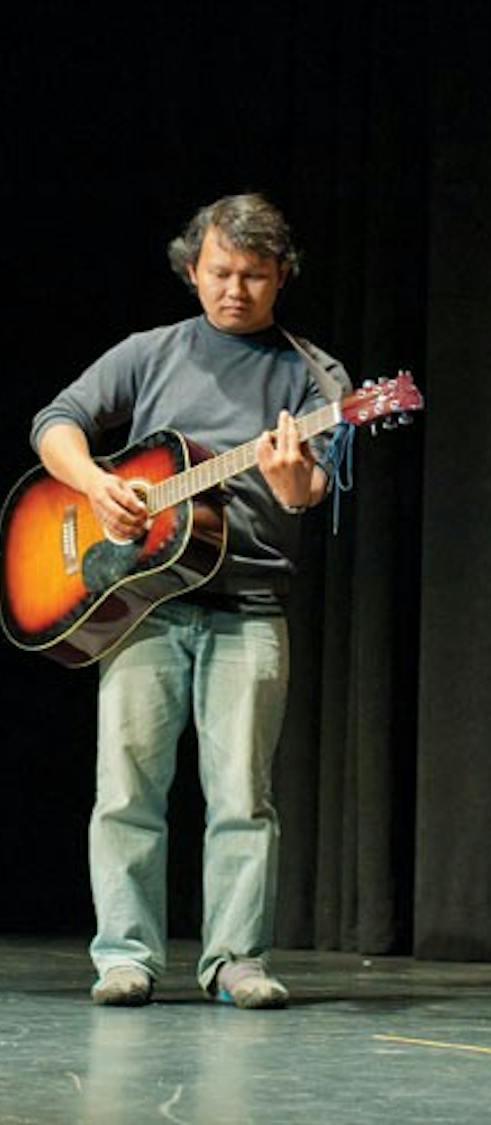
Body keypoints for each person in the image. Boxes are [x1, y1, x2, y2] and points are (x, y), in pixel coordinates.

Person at [31, 193, 350, 1009]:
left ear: (282, 278)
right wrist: (99, 484)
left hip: (249, 604)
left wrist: (294, 484)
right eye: (219, 271)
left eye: (253, 274)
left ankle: (236, 958)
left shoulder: (317, 377)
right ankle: (125, 955)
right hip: (142, 605)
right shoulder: (151, 352)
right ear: (191, 268)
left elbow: (313, 487)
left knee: (243, 794)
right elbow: (56, 422)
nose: (234, 289)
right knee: (127, 789)